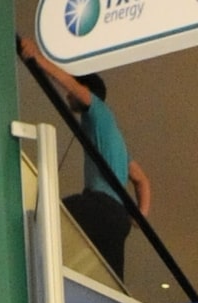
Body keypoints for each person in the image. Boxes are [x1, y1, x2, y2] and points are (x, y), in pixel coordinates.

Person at [18, 40, 151, 282]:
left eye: (75, 92)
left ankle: (27, 268)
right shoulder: (116, 139)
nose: (69, 95)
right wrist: (138, 218)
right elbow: (141, 180)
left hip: (98, 205)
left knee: (48, 216)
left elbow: (70, 84)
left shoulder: (98, 110)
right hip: (118, 220)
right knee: (111, 280)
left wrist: (37, 58)